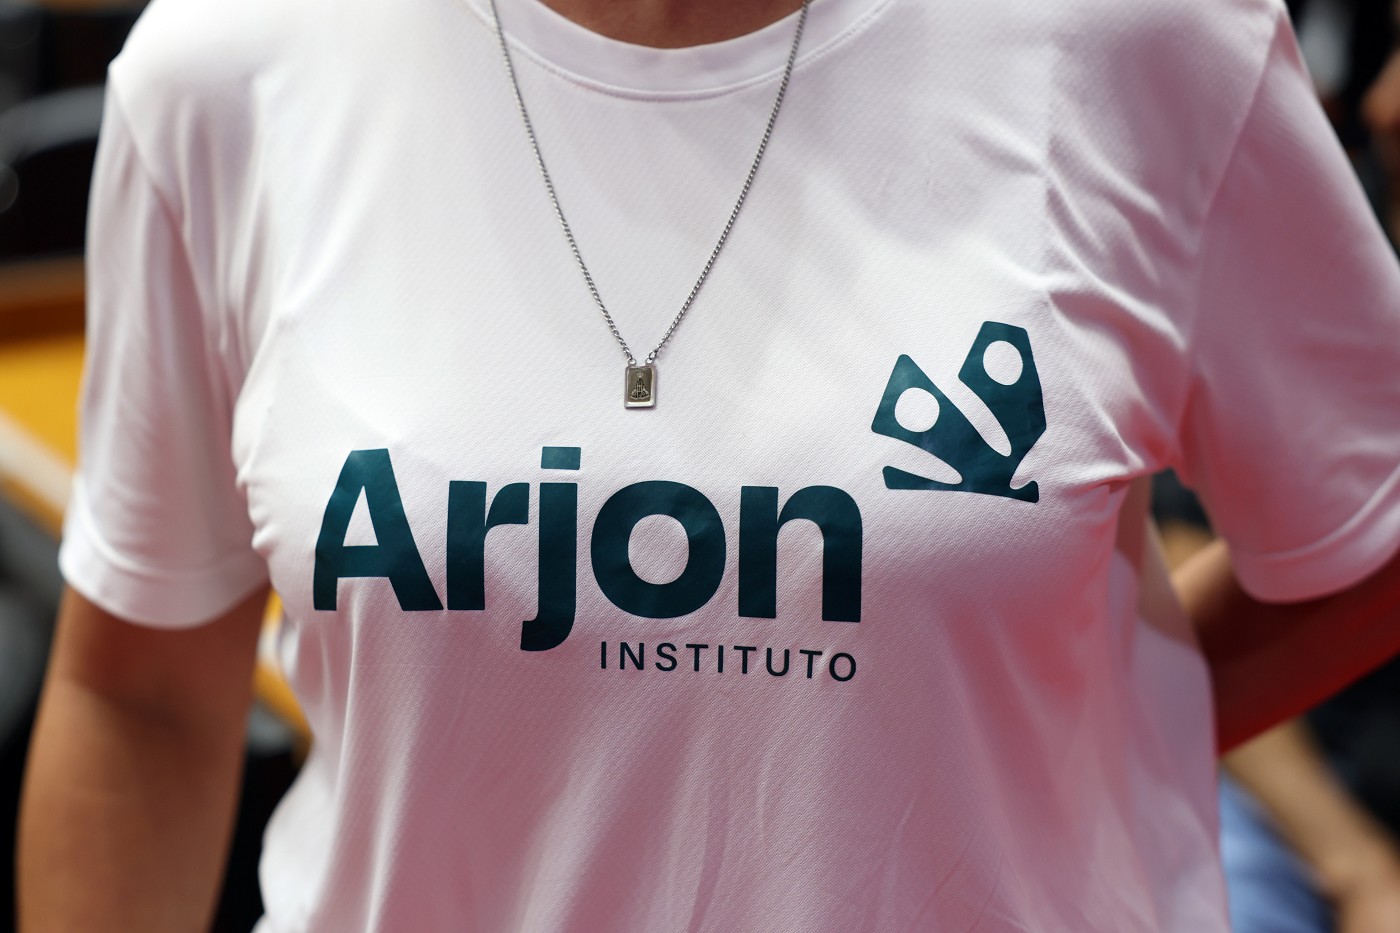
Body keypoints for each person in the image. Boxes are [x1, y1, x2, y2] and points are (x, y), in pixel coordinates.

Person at [15, 0, 1400, 929]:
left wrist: (1070, 718)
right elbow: (140, 693)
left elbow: (1366, 538)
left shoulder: (1148, 42)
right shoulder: (231, 67)